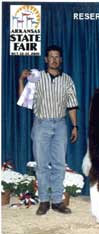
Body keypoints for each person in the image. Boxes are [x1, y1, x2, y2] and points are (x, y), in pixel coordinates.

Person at [18, 45, 79, 215]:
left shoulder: (67, 79)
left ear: (61, 59)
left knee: (59, 164)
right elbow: (24, 100)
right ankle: (44, 201)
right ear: (46, 59)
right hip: (41, 124)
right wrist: (21, 80)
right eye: (51, 56)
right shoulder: (37, 78)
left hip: (60, 124)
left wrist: (75, 125)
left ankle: (57, 201)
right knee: (42, 164)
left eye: (57, 56)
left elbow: (72, 105)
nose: (54, 59)